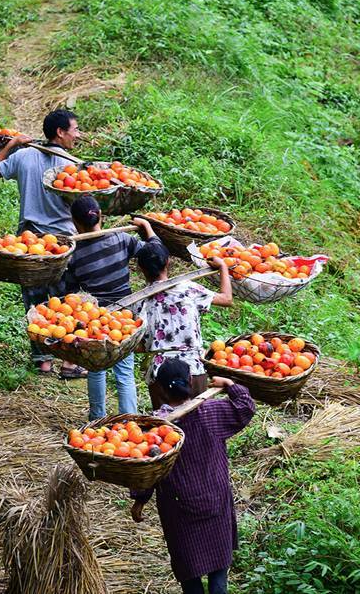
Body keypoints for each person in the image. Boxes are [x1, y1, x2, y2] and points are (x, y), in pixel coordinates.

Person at [131, 358, 255, 594]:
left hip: (178, 506)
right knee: (219, 566)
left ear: (159, 388)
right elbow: (245, 406)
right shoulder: (211, 412)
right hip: (214, 498)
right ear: (190, 381)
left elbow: (145, 469)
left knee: (189, 570)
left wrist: (140, 499)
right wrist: (229, 384)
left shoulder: (155, 429)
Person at [0, 108, 84, 377]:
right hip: (64, 241)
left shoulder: (24, 156)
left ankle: (42, 361)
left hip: (29, 243)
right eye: (75, 130)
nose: (78, 135)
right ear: (60, 132)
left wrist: (12, 145)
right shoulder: (71, 164)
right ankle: (69, 362)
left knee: (35, 302)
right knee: (67, 300)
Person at [65, 195, 163, 419]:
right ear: (100, 215)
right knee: (125, 371)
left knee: (95, 368)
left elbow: (70, 289)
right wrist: (147, 228)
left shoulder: (75, 253)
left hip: (95, 318)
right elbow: (153, 253)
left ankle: (96, 419)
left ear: (74, 222)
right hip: (124, 317)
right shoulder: (120, 239)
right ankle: (129, 419)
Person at [135, 242, 233, 409]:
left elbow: (139, 345)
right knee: (198, 421)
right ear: (168, 262)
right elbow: (226, 299)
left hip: (161, 374)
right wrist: (223, 266)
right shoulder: (188, 289)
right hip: (192, 369)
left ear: (140, 269)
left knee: (168, 429)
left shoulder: (139, 302)